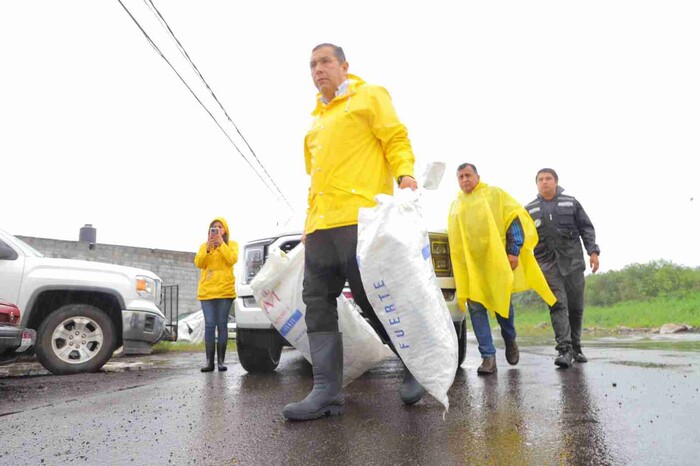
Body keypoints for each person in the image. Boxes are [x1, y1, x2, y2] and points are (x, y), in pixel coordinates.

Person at [282, 43, 419, 421]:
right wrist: (308, 224)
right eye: (312, 64)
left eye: (325, 61)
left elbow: (395, 138)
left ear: (344, 66)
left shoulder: (368, 96)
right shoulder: (316, 124)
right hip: (322, 226)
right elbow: (316, 181)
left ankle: (414, 365)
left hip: (361, 219)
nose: (318, 69)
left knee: (370, 297)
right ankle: (327, 392)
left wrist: (405, 173)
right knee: (317, 303)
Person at [447, 163, 556, 375]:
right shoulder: (456, 205)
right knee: (477, 311)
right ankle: (488, 358)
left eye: (468, 175)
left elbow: (513, 219)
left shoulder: (494, 194)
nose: (464, 180)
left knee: (503, 307)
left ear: (478, 176)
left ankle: (510, 339)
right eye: (460, 177)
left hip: (497, 264)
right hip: (472, 269)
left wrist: (514, 250)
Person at [526, 168, 600, 367]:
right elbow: (520, 237)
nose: (545, 182)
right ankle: (564, 351)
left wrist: (593, 252)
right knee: (557, 305)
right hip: (547, 265)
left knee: (576, 307)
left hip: (573, 262)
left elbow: (586, 228)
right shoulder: (529, 210)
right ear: (537, 184)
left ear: (556, 181)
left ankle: (576, 347)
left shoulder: (571, 202)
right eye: (540, 179)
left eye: (548, 178)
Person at [194, 217, 238, 372]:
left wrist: (221, 245)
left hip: (225, 291)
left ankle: (220, 361)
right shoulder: (204, 246)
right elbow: (199, 263)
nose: (217, 229)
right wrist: (208, 248)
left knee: (222, 325)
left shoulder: (231, 245)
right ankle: (209, 362)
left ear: (225, 230)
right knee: (209, 325)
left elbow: (232, 259)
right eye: (214, 227)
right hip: (207, 292)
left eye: (220, 227)